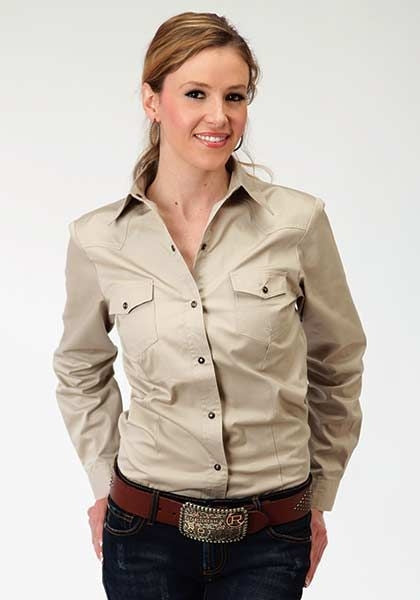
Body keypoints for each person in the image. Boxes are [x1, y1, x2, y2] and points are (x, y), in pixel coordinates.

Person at [52, 10, 367, 600]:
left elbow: (338, 362)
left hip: (271, 534)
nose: (219, 117)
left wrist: (319, 496)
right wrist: (102, 481)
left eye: (235, 96)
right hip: (142, 535)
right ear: (152, 100)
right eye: (196, 94)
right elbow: (79, 367)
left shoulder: (297, 223)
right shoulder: (98, 239)